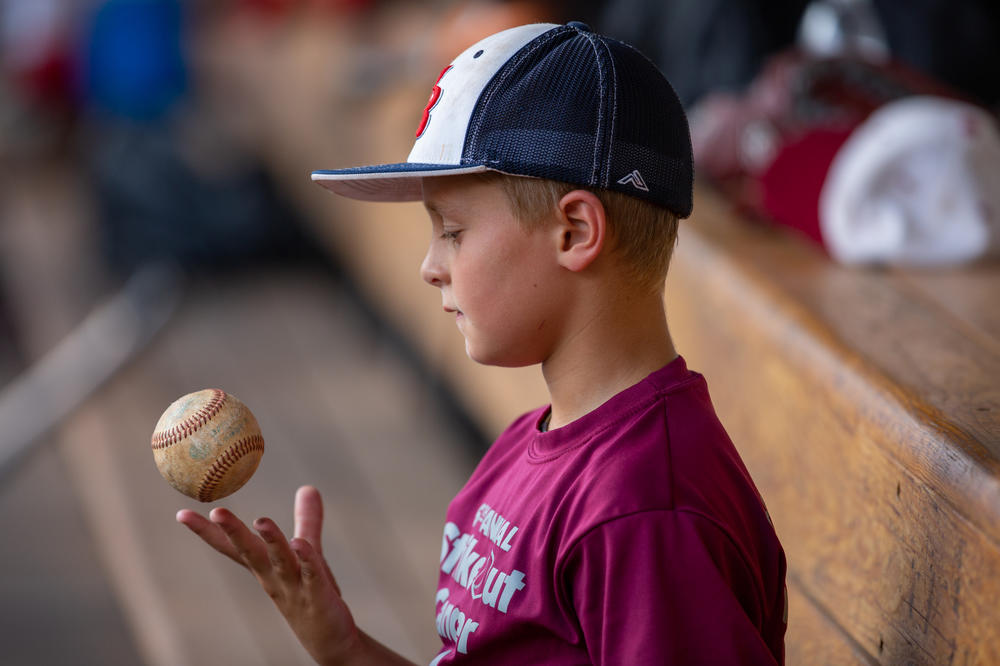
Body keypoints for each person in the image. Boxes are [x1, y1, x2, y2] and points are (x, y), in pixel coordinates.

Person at [177, 21, 788, 665]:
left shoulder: (644, 510)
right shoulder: (533, 446)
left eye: (453, 231)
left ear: (575, 231)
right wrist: (347, 649)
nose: (430, 265)